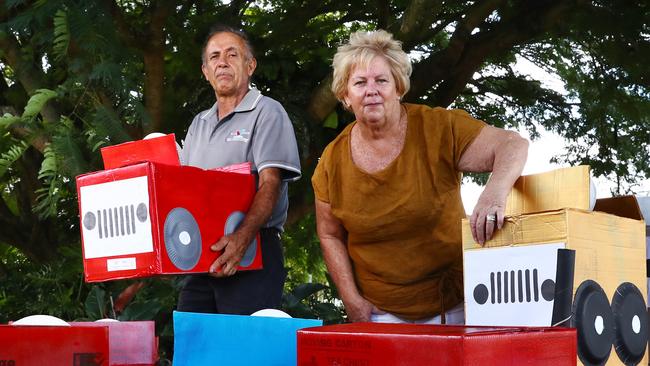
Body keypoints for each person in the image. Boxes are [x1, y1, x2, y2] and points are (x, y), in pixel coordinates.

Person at [312, 30, 529, 324]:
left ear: (399, 87)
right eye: (360, 83)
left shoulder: (438, 127)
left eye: (382, 80)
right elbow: (329, 234)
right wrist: (352, 300)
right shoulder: (330, 162)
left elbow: (512, 145)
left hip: (456, 305)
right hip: (381, 313)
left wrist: (494, 193)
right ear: (346, 96)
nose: (371, 90)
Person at [177, 25, 301, 314]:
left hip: (254, 246)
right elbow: (183, 194)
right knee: (195, 344)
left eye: (232, 54)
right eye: (215, 57)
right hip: (203, 255)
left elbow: (270, 183)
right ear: (205, 71)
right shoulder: (199, 123)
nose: (223, 62)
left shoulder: (268, 111)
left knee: (242, 348)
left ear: (250, 65)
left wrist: (242, 237)